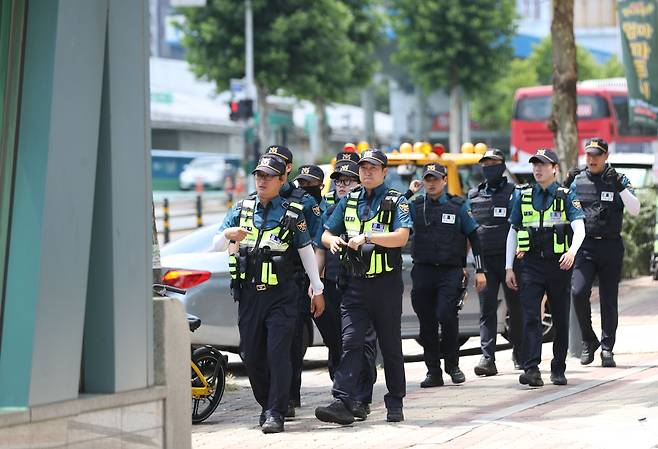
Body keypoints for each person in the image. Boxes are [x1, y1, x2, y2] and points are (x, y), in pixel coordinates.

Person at [213, 155, 325, 433]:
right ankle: (266, 404)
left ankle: (276, 410)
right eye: (259, 175)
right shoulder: (242, 208)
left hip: (282, 295)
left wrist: (317, 288)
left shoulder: (292, 212)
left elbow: (306, 252)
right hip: (249, 295)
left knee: (278, 353)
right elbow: (215, 242)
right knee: (251, 354)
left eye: (268, 176)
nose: (262, 180)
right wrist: (230, 234)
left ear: (282, 180)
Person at [315, 149, 412, 424]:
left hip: (385, 285)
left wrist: (369, 236)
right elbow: (326, 231)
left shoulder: (396, 201)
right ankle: (343, 400)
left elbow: (402, 237)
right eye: (363, 168)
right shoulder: (348, 201)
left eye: (373, 168)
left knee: (390, 345)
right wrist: (330, 241)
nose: (367, 172)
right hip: (355, 284)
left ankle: (395, 401)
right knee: (350, 341)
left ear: (384, 172)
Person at [505, 148, 586, 387]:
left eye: (543, 164)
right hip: (530, 264)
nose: (538, 169)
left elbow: (580, 227)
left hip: (559, 265)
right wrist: (509, 266)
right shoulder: (523, 194)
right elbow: (513, 230)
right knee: (531, 316)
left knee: (560, 318)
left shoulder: (565, 195)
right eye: (535, 164)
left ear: (555, 168)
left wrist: (571, 252)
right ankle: (531, 368)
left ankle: (558, 368)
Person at [406, 163, 486, 388]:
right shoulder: (416, 206)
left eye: (435, 179)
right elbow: (393, 211)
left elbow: (475, 237)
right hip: (423, 271)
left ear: (443, 180)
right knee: (427, 323)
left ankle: (453, 365)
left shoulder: (458, 205)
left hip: (450, 271)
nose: (431, 183)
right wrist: (409, 192)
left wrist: (480, 270)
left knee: (447, 315)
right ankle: (433, 372)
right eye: (427, 179)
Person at [313, 159, 378, 418]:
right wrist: (315, 282)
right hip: (332, 282)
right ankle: (342, 393)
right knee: (337, 342)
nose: (342, 186)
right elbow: (320, 243)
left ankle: (360, 398)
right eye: (338, 181)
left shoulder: (368, 206)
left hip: (364, 282)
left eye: (347, 181)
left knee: (361, 342)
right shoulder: (330, 208)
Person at [569, 138, 640, 368]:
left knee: (609, 300)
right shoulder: (577, 180)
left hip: (610, 246)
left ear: (606, 157)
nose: (592, 159)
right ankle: (589, 339)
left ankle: (607, 348)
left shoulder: (618, 179)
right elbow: (563, 208)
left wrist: (619, 185)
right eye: (588, 155)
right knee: (578, 292)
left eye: (597, 155)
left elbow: (635, 209)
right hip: (585, 246)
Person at [264, 145, 322, 417]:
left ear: (287, 169)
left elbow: (314, 242)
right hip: (263, 283)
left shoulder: (304, 201)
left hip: (294, 280)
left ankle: (288, 397)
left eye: (279, 164)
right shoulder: (257, 199)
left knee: (291, 341)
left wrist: (315, 282)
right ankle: (275, 396)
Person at [468, 149, 523, 375]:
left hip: (510, 261)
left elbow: (521, 224)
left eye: (493, 163)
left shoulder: (514, 193)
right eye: (485, 163)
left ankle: (520, 353)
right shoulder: (474, 196)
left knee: (517, 309)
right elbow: (469, 231)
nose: (488, 167)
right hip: (485, 262)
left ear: (502, 166)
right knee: (487, 309)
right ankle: (487, 358)